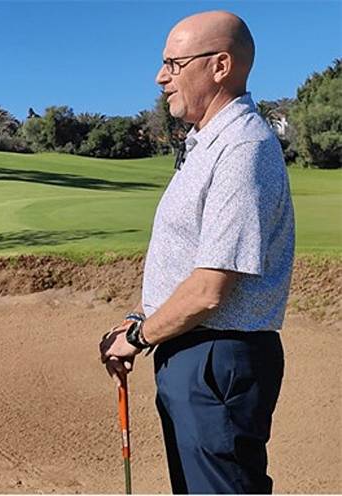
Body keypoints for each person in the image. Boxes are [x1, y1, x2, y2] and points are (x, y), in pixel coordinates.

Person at [99, 11, 294, 494]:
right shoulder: (206, 143)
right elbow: (186, 262)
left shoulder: (242, 147)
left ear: (220, 66)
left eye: (173, 63)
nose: (160, 76)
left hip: (217, 358)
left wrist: (141, 336)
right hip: (195, 352)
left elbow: (210, 289)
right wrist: (138, 317)